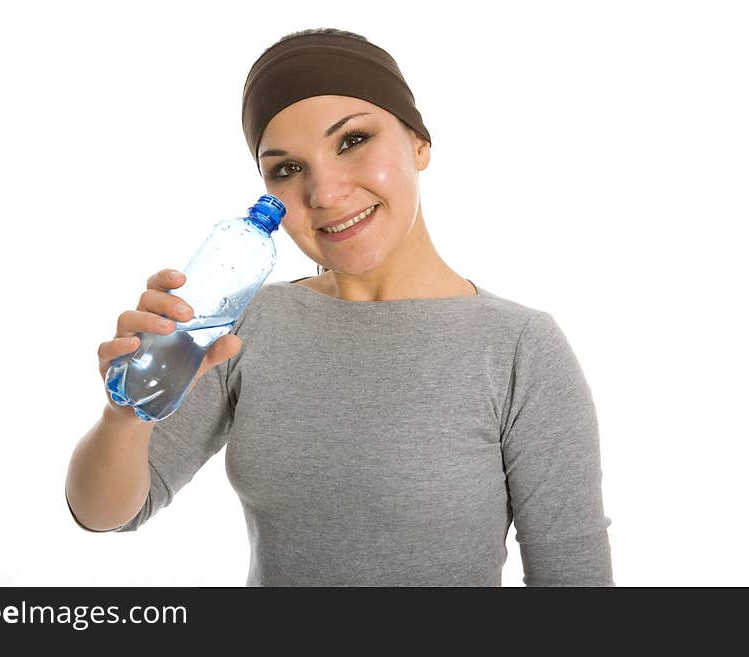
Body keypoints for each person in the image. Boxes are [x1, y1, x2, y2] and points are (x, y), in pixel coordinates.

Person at [66, 28, 615, 586]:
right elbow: (107, 513)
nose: (324, 192)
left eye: (351, 141)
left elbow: (574, 580)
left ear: (419, 143)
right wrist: (125, 418)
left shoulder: (519, 347)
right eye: (287, 168)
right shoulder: (249, 324)